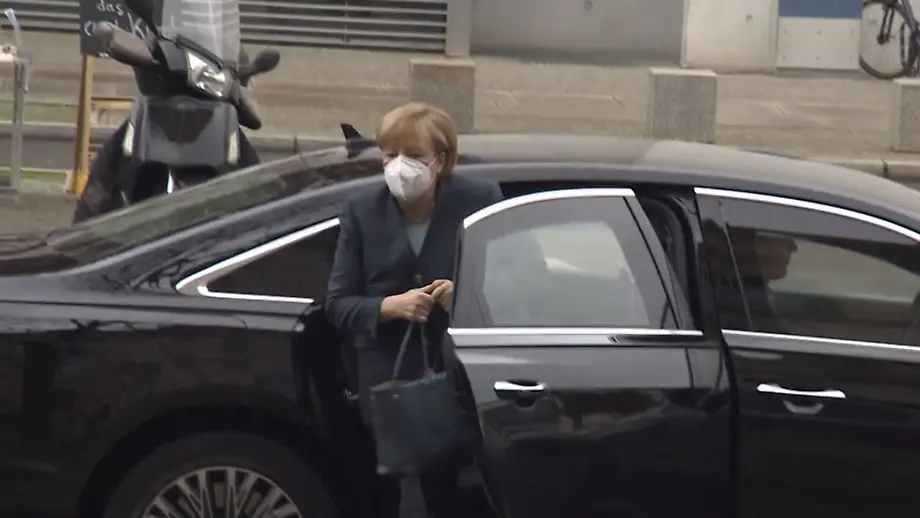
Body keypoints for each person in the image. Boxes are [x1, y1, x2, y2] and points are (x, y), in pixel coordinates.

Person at [324, 102, 504, 518]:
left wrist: (463, 295)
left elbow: (509, 283)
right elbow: (338, 305)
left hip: (459, 382)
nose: (400, 167)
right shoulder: (361, 211)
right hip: (389, 390)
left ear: (439, 161)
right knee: (395, 501)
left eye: (414, 156)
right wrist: (388, 306)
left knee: (452, 498)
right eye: (390, 155)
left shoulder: (479, 200)